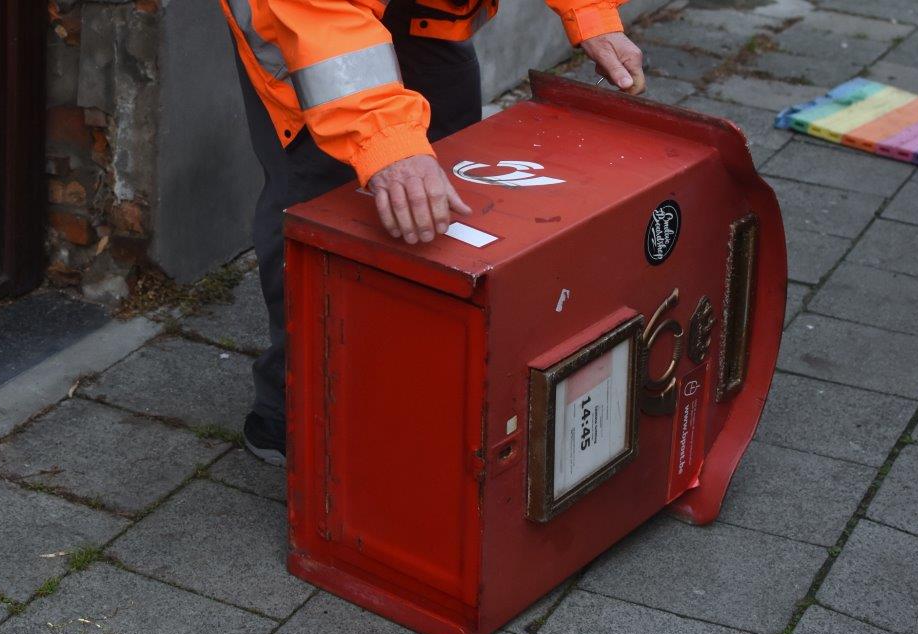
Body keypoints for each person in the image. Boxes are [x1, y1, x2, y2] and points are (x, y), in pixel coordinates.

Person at [218, 0, 646, 461]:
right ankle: (296, 412)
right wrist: (387, 143)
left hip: (428, 12)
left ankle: (426, 376)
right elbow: (320, 22)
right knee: (323, 213)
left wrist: (591, 13)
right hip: (309, 21)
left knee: (452, 194)